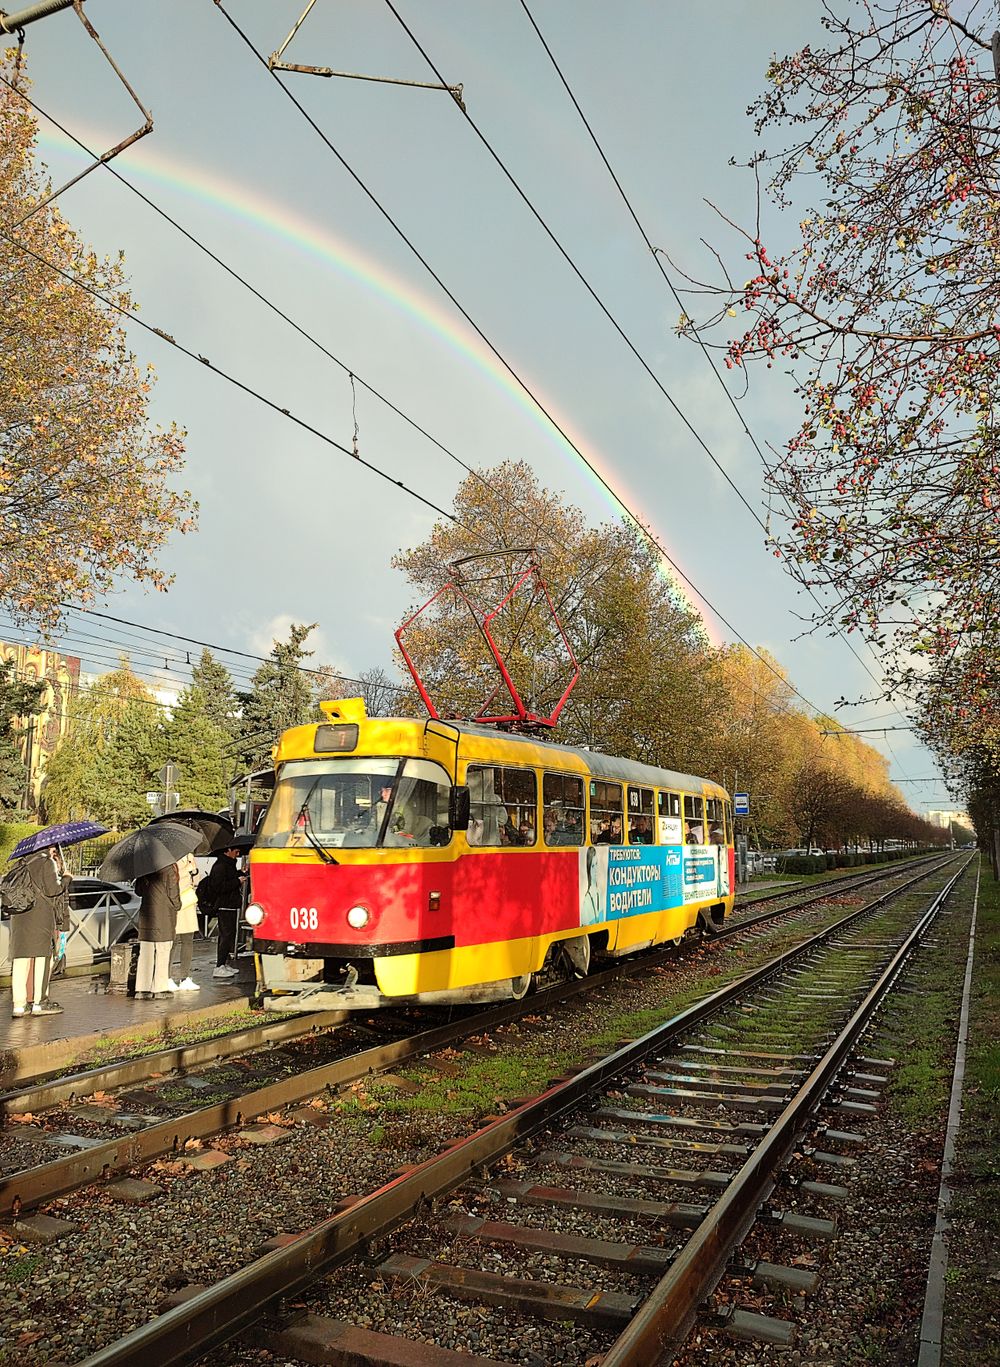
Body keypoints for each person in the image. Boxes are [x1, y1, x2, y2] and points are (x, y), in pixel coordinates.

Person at [10, 846, 70, 1017]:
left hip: (19, 917)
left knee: (21, 960)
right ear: (49, 847)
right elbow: (54, 890)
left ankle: (19, 1005)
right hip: (40, 917)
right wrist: (66, 878)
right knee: (43, 958)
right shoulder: (46, 862)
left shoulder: (20, 863)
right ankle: (40, 1002)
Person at [134, 862, 180, 1000]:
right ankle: (159, 988)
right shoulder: (169, 867)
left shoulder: (143, 867)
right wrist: (178, 905)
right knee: (163, 951)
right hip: (164, 915)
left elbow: (138, 891)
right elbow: (173, 893)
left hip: (147, 915)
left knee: (146, 953)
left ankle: (142, 989)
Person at [198, 846, 244, 978]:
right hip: (224, 905)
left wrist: (240, 873)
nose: (238, 853)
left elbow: (229, 879)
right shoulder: (220, 866)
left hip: (230, 905)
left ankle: (223, 963)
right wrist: (237, 881)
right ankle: (219, 966)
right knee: (225, 935)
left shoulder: (228, 865)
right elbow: (218, 887)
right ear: (227, 850)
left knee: (229, 935)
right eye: (236, 851)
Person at [169, 852, 201, 992]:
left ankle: (185, 977)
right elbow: (172, 880)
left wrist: (194, 871)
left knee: (188, 940)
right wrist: (186, 869)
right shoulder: (169, 857)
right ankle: (167, 977)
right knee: (173, 941)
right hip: (175, 902)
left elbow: (196, 881)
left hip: (188, 901)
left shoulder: (189, 856)